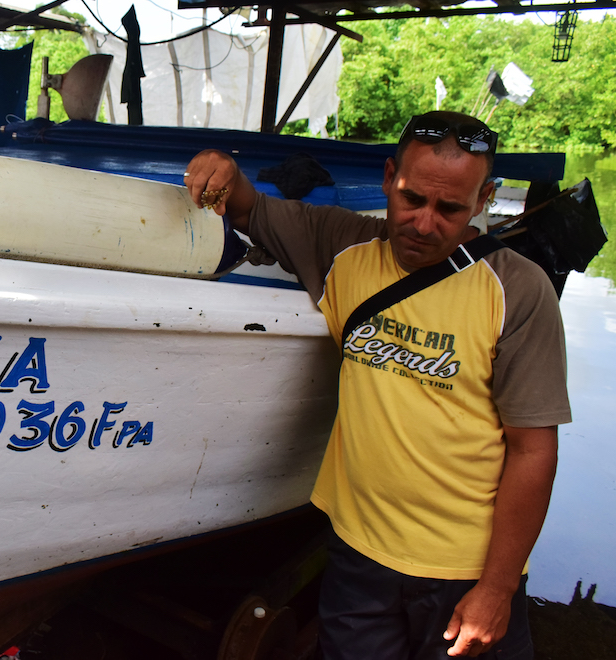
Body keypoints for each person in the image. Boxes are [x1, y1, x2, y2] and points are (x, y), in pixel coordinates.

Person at [184, 111, 571, 660]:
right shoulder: (340, 245)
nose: (424, 223)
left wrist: (497, 589)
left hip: (464, 569)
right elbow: (249, 206)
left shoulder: (519, 290)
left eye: (451, 208)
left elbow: (534, 450)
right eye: (412, 199)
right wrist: (220, 166)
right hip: (358, 556)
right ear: (389, 177)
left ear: (483, 199)